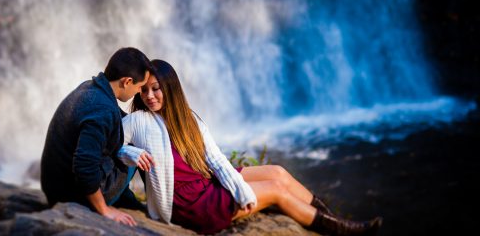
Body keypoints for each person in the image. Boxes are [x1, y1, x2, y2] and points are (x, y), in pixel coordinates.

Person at [118, 59, 383, 235]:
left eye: (156, 89)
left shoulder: (189, 119)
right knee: (276, 191)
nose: (150, 96)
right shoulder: (138, 120)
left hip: (206, 183)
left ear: (171, 88)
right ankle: (344, 230)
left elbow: (217, 160)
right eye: (145, 91)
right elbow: (112, 145)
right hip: (189, 204)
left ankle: (332, 219)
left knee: (278, 172)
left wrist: (240, 190)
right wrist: (131, 152)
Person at [40, 47, 155, 227]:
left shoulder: (91, 87)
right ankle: (153, 207)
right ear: (127, 82)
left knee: (127, 134)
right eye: (140, 87)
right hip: (71, 198)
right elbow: (84, 167)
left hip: (55, 188)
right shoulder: (103, 110)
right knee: (137, 146)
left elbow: (118, 120)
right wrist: (104, 210)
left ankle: (124, 200)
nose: (139, 93)